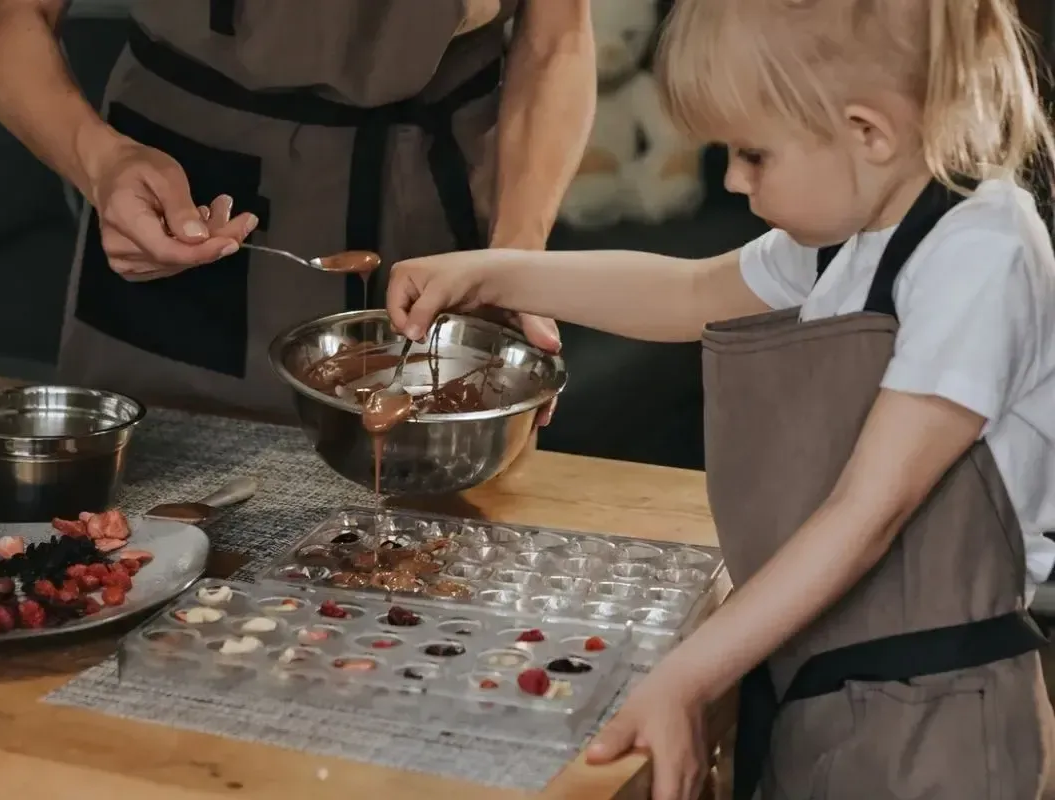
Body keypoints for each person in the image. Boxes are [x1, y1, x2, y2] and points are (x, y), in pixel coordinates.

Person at [385, 0, 1055, 797]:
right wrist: (492, 270)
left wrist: (686, 675)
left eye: (753, 154)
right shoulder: (860, 229)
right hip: (825, 687)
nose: (733, 180)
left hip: (938, 719)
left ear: (866, 132)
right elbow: (690, 288)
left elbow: (866, 515)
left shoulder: (981, 253)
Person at [0, 0, 589, 416]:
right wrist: (98, 164)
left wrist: (516, 259)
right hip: (186, 194)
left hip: (433, 204)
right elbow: (12, 19)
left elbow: (556, 41)